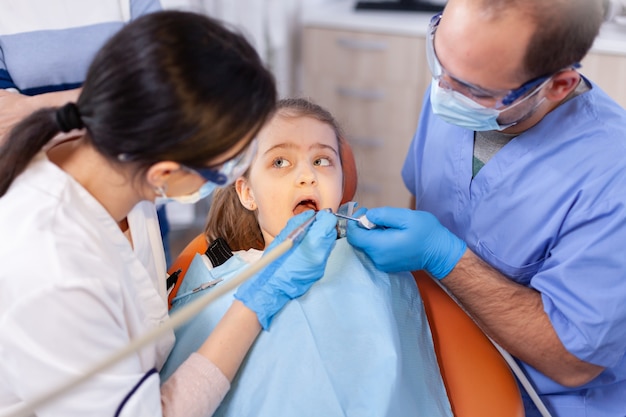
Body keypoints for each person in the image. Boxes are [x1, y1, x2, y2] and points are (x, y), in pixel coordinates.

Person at [0, 11, 340, 417]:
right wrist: (254, 304)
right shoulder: (55, 269)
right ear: (163, 173)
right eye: (231, 166)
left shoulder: (113, 152)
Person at [346, 0, 626, 416]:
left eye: (475, 91)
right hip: (437, 367)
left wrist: (445, 259)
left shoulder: (610, 176)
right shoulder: (457, 83)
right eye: (439, 62)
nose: (443, 92)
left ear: (559, 85)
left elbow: (573, 361)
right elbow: (425, 192)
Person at [160, 98, 452, 417]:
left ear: (342, 184)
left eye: (322, 161)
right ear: (247, 192)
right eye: (280, 162)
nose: (307, 176)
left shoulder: (373, 261)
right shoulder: (221, 284)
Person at [0, 0, 175, 266]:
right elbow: (4, 125)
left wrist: (33, 106)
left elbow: (157, 95)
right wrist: (109, 101)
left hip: (133, 209)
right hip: (38, 210)